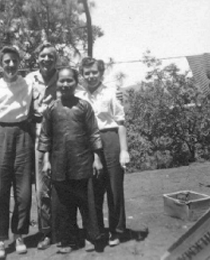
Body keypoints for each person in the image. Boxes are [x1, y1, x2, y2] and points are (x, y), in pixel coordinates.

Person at [38, 67, 104, 254]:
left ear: (76, 83)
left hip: (82, 163)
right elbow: (46, 137)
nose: (65, 84)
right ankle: (69, 240)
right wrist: (46, 161)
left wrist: (97, 158)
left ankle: (91, 238)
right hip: (59, 164)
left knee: (87, 204)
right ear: (56, 83)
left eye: (70, 81)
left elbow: (93, 133)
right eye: (62, 81)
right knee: (64, 206)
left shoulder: (84, 106)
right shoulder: (51, 109)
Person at [0, 46, 33, 259]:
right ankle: (0, 239)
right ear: (0, 65)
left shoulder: (29, 84)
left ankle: (19, 235)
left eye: (14, 61)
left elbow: (54, 86)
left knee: (23, 192)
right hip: (0, 135)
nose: (11, 65)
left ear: (19, 62)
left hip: (23, 134)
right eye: (6, 62)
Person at [76, 57, 130, 247]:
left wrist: (123, 150)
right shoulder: (78, 95)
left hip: (110, 138)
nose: (91, 76)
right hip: (87, 143)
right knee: (92, 187)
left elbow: (121, 122)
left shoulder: (111, 93)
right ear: (81, 75)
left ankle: (117, 230)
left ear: (101, 73)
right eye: (86, 73)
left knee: (114, 186)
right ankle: (96, 231)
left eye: (94, 72)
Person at [24, 42, 58, 249]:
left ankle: (64, 228)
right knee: (42, 188)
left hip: (62, 136)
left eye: (51, 56)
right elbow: (10, 91)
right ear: (37, 58)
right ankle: (46, 232)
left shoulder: (62, 77)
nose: (46, 59)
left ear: (56, 59)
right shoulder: (29, 80)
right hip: (38, 136)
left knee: (63, 184)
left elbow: (87, 90)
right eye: (43, 56)